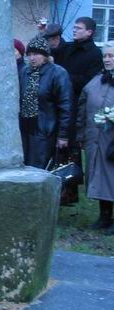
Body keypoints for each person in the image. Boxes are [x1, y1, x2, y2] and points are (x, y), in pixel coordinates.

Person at [60, 17, 103, 204]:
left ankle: (69, 192)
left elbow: (89, 82)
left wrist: (65, 77)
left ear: (89, 32)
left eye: (79, 28)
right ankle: (58, 188)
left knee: (72, 149)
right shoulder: (69, 48)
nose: (74, 30)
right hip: (62, 102)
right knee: (60, 148)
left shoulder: (94, 54)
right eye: (74, 27)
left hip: (77, 105)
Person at [18, 36, 72, 170]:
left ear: (45, 56)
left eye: (36, 54)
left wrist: (63, 135)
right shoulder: (25, 72)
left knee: (39, 169)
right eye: (29, 54)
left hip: (45, 131)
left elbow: (66, 106)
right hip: (25, 128)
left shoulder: (58, 73)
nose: (32, 58)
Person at [76, 42, 114, 233]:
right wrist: (81, 133)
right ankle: (104, 216)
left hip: (111, 141)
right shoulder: (95, 81)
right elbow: (82, 108)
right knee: (99, 177)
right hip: (95, 139)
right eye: (105, 56)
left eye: (111, 56)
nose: (107, 59)